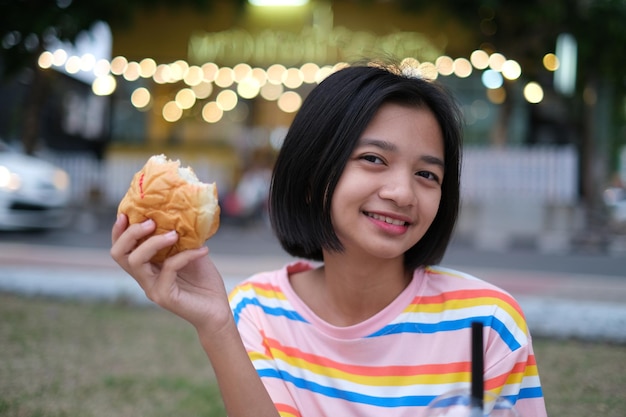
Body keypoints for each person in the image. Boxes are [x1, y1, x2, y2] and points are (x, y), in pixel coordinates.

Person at [111, 60, 548, 417]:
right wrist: (217, 327)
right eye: (374, 159)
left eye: (426, 174)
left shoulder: (483, 325)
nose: (402, 193)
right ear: (312, 174)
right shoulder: (257, 312)